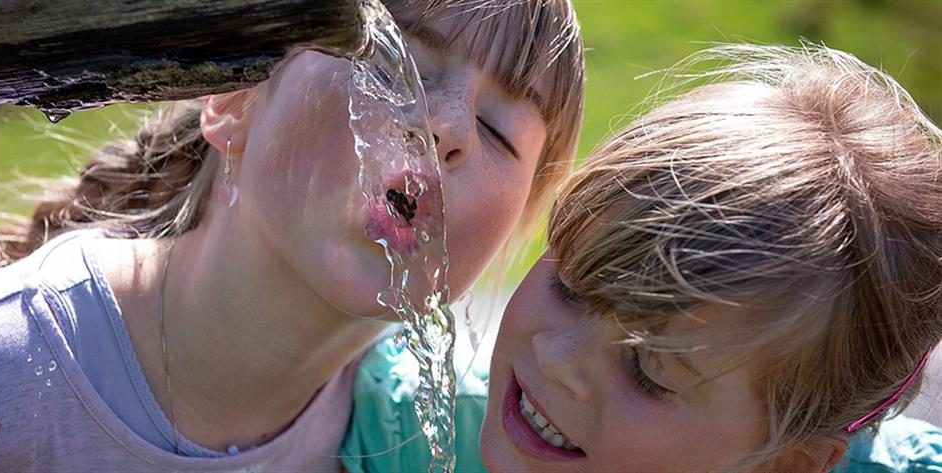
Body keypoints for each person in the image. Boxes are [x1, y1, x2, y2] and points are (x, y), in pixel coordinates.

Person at [0, 1, 585, 471]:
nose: (447, 128)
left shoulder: (466, 442)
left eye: (498, 130)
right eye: (396, 69)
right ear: (232, 99)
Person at [343, 43, 942, 472]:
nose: (556, 357)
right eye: (569, 287)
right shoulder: (398, 434)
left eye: (648, 371)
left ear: (786, 463)